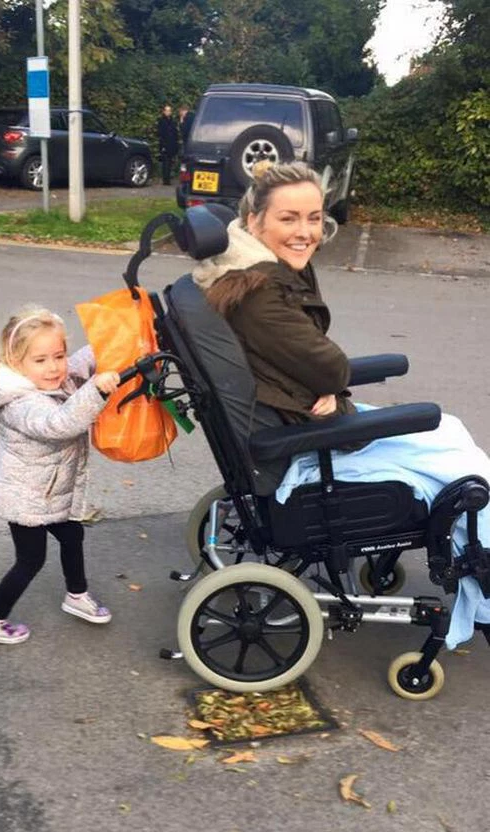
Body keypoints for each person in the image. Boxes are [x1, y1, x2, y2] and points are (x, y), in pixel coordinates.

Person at [192, 160, 490, 648]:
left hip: (297, 413)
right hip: (302, 437)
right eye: (289, 218)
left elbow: (315, 363)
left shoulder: (249, 272)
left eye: (314, 217)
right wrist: (323, 384)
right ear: (254, 222)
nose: (306, 231)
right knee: (468, 474)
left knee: (449, 430)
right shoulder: (261, 295)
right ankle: (483, 580)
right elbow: (328, 366)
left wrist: (322, 382)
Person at [0, 306, 120, 645]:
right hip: (25, 499)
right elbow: (59, 424)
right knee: (30, 560)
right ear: (15, 362)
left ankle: (76, 595)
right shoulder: (21, 403)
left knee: (72, 536)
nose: (54, 366)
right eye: (40, 360)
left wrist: (114, 344)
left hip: (47, 493)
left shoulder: (52, 378)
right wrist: (97, 390)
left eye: (59, 355)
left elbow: (80, 365)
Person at [156, 103, 179, 185]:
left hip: (172, 145)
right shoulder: (162, 121)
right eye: (166, 110)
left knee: (170, 162)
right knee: (165, 162)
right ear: (163, 111)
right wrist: (163, 146)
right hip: (165, 145)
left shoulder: (173, 121)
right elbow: (160, 134)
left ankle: (168, 178)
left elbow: (175, 133)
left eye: (169, 111)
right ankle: (166, 180)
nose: (168, 112)